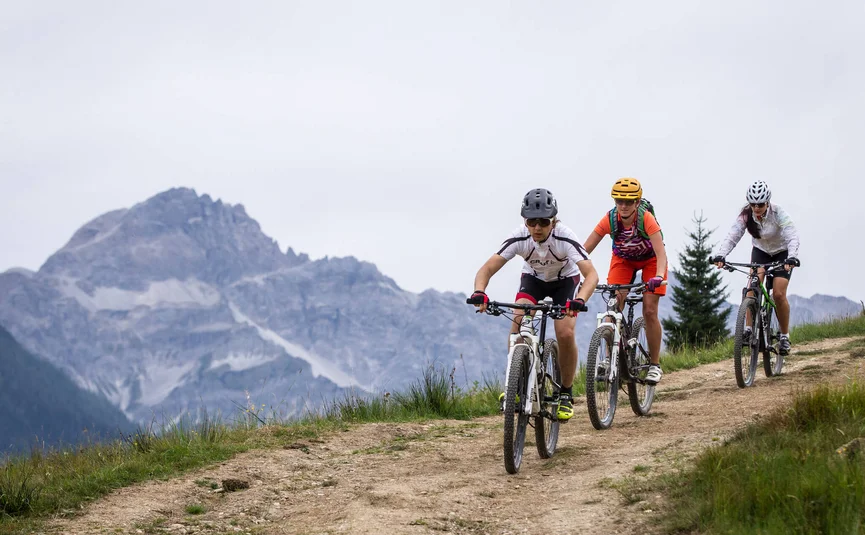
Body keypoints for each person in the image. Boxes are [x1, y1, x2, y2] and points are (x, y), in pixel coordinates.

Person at [468, 188, 598, 421]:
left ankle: (566, 393)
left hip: (565, 283)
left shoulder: (564, 237)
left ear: (553, 221)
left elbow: (591, 275)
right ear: (524, 221)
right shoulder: (520, 237)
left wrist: (580, 300)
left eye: (543, 222)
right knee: (517, 324)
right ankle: (515, 386)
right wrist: (480, 291)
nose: (537, 228)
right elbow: (486, 269)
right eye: (531, 222)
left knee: (565, 333)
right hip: (534, 281)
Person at [582, 177, 668, 385]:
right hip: (623, 260)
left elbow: (660, 252)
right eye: (619, 201)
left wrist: (658, 276)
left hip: (650, 261)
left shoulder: (646, 219)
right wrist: (573, 271)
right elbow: (583, 251)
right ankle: (609, 358)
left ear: (637, 202)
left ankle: (654, 365)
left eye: (629, 201)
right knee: (613, 305)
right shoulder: (610, 219)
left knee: (649, 310)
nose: (623, 205)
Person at [710, 180, 800, 355]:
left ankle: (784, 336)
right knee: (751, 289)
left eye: (760, 204)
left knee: (779, 294)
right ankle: (749, 330)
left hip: (782, 253)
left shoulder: (779, 213)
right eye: (753, 204)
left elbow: (792, 235)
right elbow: (733, 235)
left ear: (767, 202)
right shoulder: (746, 215)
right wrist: (722, 255)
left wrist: (792, 257)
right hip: (761, 252)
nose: (756, 208)